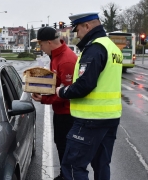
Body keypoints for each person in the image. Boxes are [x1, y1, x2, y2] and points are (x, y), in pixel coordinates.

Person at [55, 12, 123, 180]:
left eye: (77, 29)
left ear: (87, 26)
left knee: (72, 166)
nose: (77, 34)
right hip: (110, 118)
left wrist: (62, 91)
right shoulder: (113, 48)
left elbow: (85, 85)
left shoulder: (95, 48)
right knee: (101, 164)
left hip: (90, 120)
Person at [31, 27, 77, 180]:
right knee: (60, 143)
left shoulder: (66, 60)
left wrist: (44, 99)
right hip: (60, 112)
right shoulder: (56, 57)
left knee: (66, 147)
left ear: (49, 42)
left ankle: (68, 176)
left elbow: (67, 92)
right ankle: (64, 174)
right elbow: (56, 83)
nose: (40, 48)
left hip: (68, 113)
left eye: (41, 45)